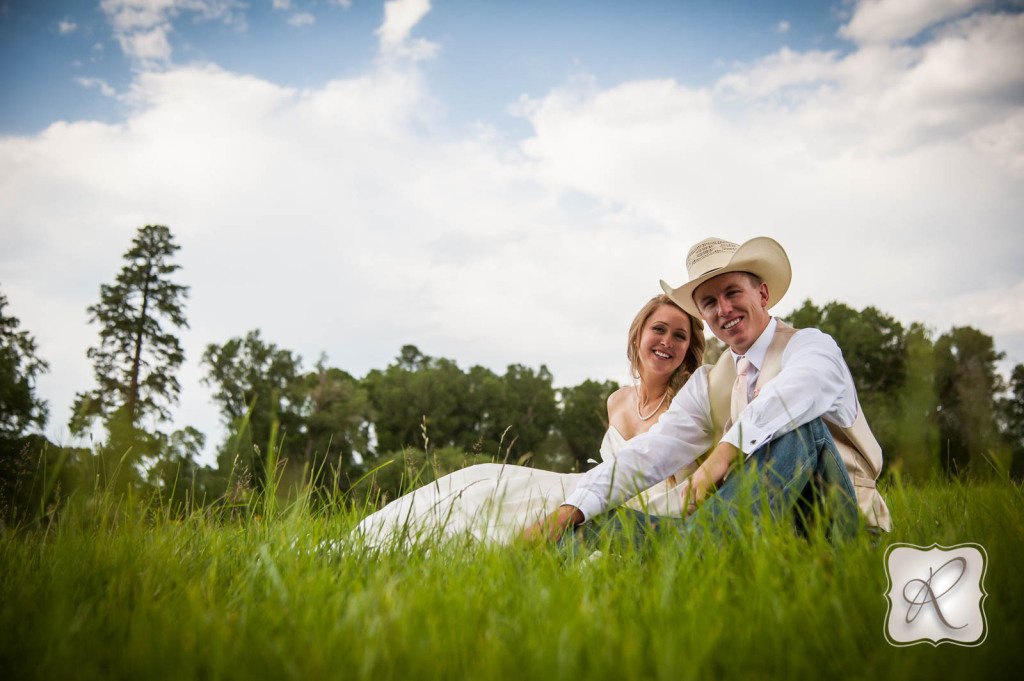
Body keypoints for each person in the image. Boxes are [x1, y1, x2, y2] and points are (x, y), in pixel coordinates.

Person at [524, 236, 891, 545]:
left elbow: (803, 388)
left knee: (798, 424)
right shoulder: (710, 382)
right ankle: (689, 546)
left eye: (733, 293)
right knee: (588, 529)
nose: (724, 309)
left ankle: (694, 547)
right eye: (710, 303)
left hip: (843, 525)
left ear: (762, 293)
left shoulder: (810, 346)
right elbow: (648, 453)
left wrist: (724, 453)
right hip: (763, 531)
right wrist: (569, 510)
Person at [352, 295, 706, 548]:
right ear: (638, 335)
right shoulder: (618, 400)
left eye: (680, 335)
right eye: (659, 329)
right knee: (480, 480)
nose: (667, 342)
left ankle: (432, 548)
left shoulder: (688, 403)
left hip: (632, 506)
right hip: (590, 487)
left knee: (497, 505)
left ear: (689, 348)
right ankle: (369, 538)